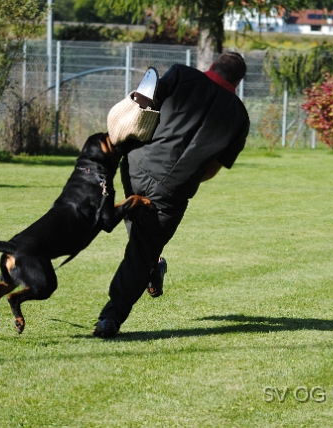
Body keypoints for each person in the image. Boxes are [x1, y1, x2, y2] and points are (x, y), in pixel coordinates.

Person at [93, 51, 250, 338]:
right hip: (175, 192)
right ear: (238, 82)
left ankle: (144, 275)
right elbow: (214, 169)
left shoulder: (181, 74)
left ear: (212, 66)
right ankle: (111, 318)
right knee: (142, 250)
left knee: (140, 243)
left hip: (137, 166)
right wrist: (181, 177)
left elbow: (142, 106)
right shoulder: (239, 116)